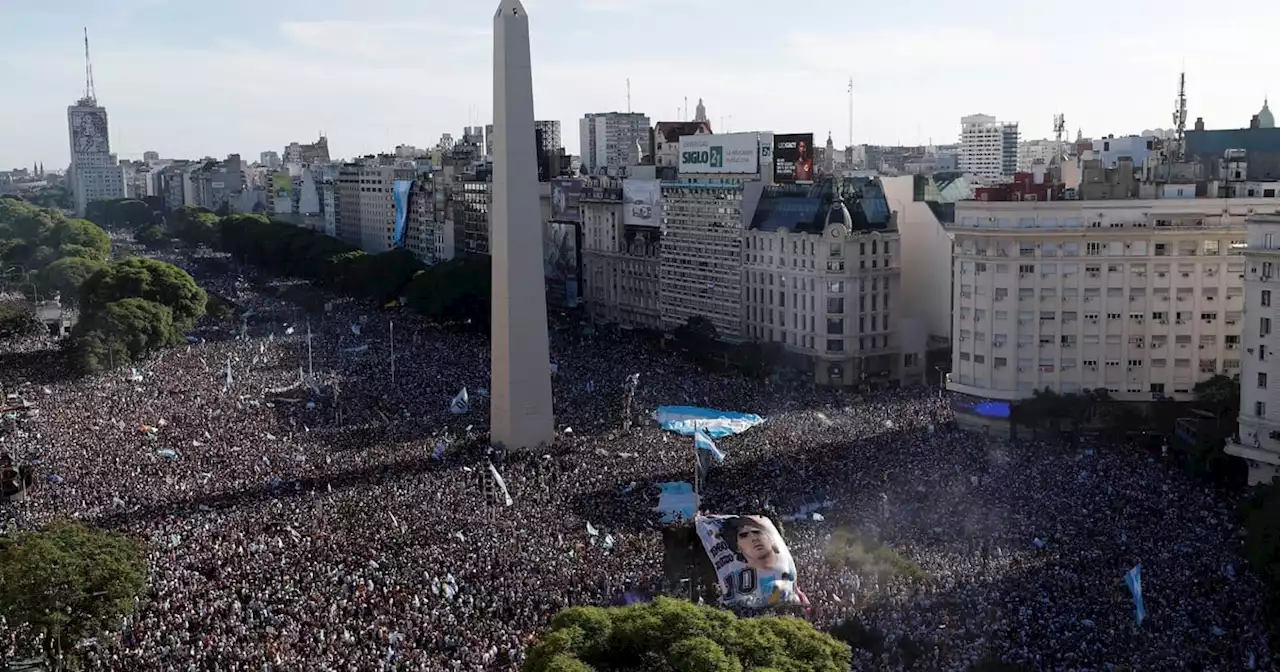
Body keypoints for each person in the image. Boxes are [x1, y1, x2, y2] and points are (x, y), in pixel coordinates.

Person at [722, 515, 788, 575]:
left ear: (772, 539)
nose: (754, 538)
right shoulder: (733, 580)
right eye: (744, 535)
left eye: (757, 532)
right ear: (737, 547)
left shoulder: (788, 570)